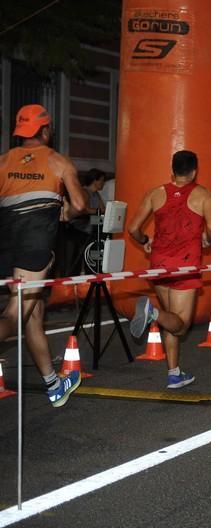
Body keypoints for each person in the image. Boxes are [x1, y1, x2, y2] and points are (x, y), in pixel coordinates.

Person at [0, 104, 86, 406]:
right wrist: (63, 211)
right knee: (16, 313)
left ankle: (53, 385)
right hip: (34, 246)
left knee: (32, 314)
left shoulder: (4, 161)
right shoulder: (57, 161)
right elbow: (79, 204)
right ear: (46, 130)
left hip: (6, 245)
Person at [127, 150, 211, 389]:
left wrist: (145, 241)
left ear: (173, 169)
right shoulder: (203, 195)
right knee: (181, 325)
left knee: (171, 320)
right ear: (195, 171)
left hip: (159, 264)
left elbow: (133, 228)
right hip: (185, 265)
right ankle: (152, 314)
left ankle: (174, 373)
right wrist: (207, 239)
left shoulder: (156, 193)